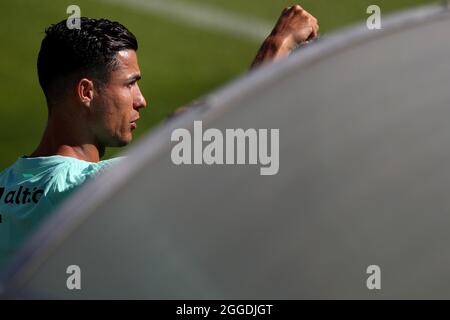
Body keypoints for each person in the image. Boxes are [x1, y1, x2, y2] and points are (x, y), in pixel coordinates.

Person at [0, 5, 319, 267]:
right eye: (129, 84)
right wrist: (279, 42)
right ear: (86, 91)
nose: (141, 100)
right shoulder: (85, 191)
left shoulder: (6, 186)